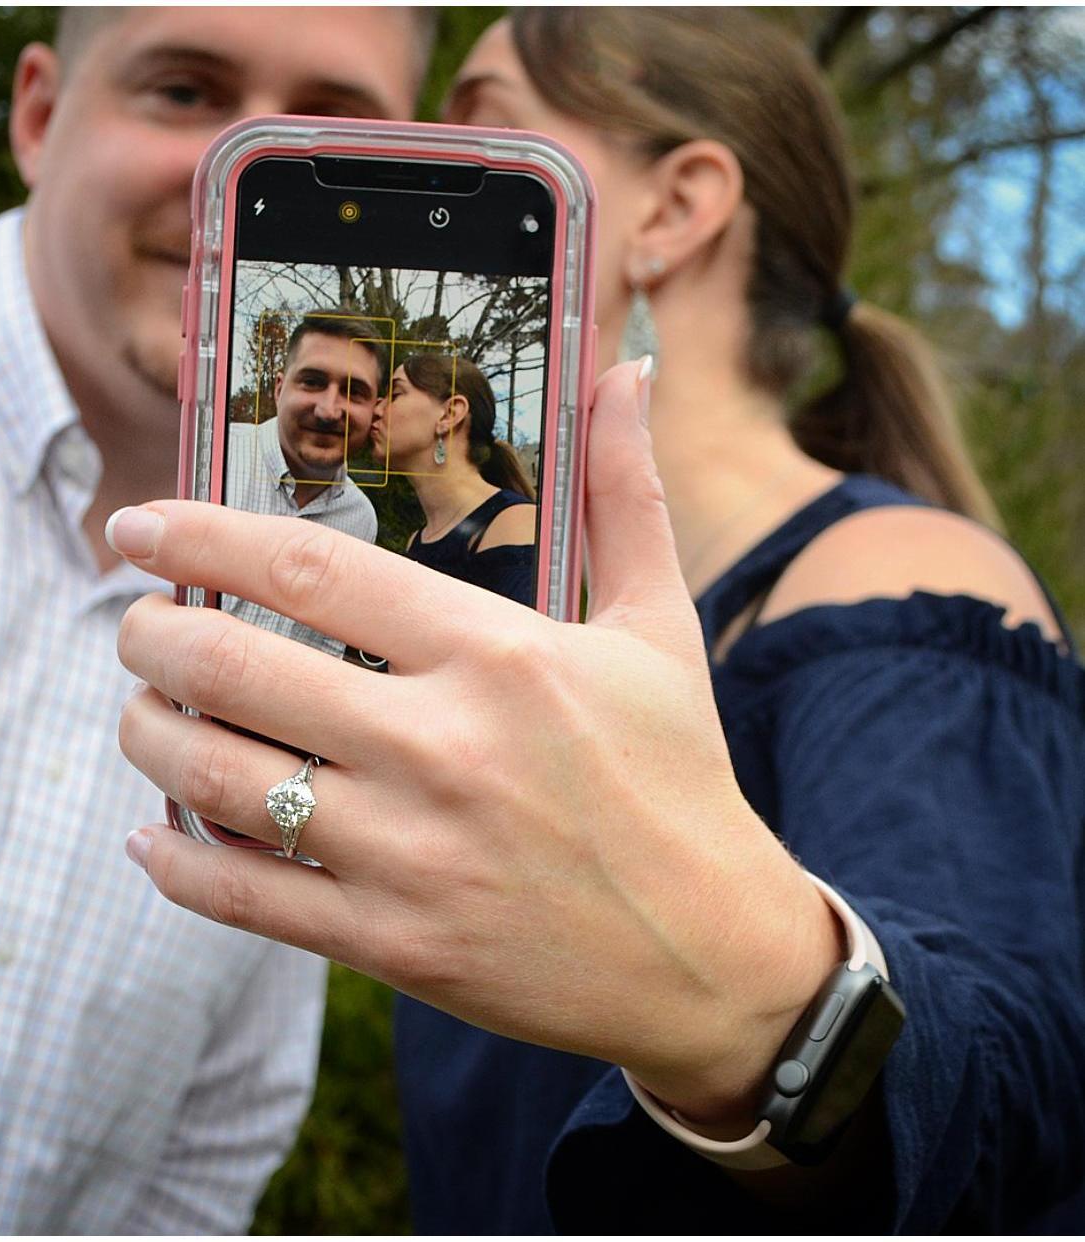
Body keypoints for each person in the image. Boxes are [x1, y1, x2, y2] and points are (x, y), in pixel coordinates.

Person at [109, 7, 1085, 1234]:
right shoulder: (537, 625)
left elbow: (1022, 1091)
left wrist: (752, 1007)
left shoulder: (898, 590)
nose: (422, 139)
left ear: (677, 210)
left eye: (484, 119)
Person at [0, 6, 432, 1233]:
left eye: (326, 131)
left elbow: (221, 1131)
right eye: (183, 91)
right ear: (40, 116)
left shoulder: (358, 585)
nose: (242, 189)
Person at [225, 311, 385, 654]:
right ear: (279, 388)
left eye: (354, 392)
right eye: (312, 382)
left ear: (374, 410)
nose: (329, 410)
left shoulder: (360, 520)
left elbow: (327, 648)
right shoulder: (215, 457)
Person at [372, 352, 536, 603]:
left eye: (396, 395)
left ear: (450, 414)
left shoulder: (514, 524)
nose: (377, 409)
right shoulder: (418, 541)